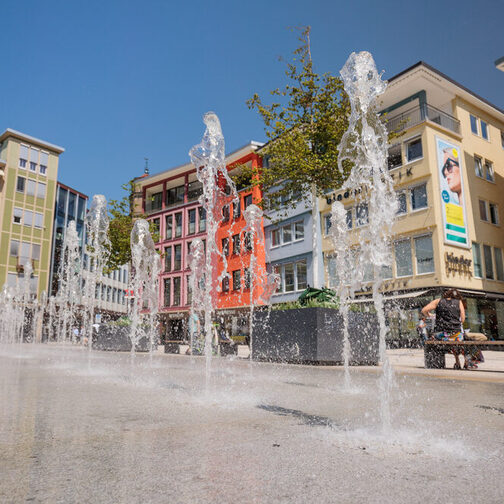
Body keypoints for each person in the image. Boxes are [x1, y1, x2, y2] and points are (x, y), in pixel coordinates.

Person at [421, 289, 465, 369]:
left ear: (446, 294)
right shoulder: (459, 302)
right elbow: (462, 319)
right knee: (456, 341)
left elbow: (424, 310)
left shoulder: (438, 301)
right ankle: (460, 362)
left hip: (441, 335)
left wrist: (430, 315)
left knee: (432, 339)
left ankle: (436, 363)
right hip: (456, 335)